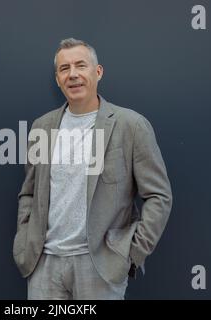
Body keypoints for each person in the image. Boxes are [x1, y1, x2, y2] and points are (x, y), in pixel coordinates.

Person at [13, 38, 172, 300]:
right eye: (64, 69)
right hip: (44, 266)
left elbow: (159, 196)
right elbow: (29, 193)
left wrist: (131, 253)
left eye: (80, 66)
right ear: (57, 79)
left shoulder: (130, 125)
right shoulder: (41, 128)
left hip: (100, 267)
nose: (73, 74)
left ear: (97, 72)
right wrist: (25, 242)